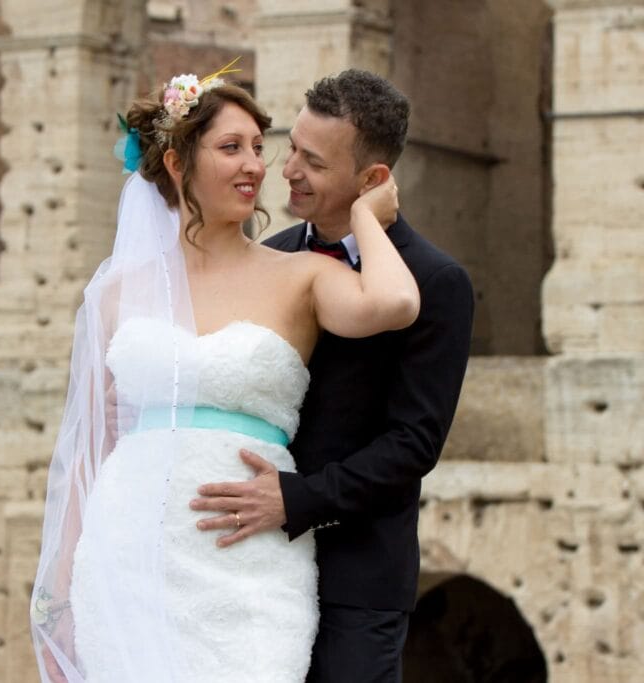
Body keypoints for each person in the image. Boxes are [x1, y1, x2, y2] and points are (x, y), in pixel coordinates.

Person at [30, 64, 419, 683]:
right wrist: (57, 593)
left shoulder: (301, 274)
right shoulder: (114, 294)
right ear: (179, 164)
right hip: (127, 549)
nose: (255, 166)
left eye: (259, 149)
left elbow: (397, 302)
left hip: (249, 557)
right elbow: (92, 447)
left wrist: (370, 218)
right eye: (231, 148)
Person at [191, 69, 475, 682]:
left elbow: (413, 445)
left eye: (313, 162)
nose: (287, 169)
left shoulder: (437, 282)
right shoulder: (268, 256)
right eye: (291, 147)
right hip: (246, 561)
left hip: (357, 577)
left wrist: (296, 498)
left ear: (373, 181)